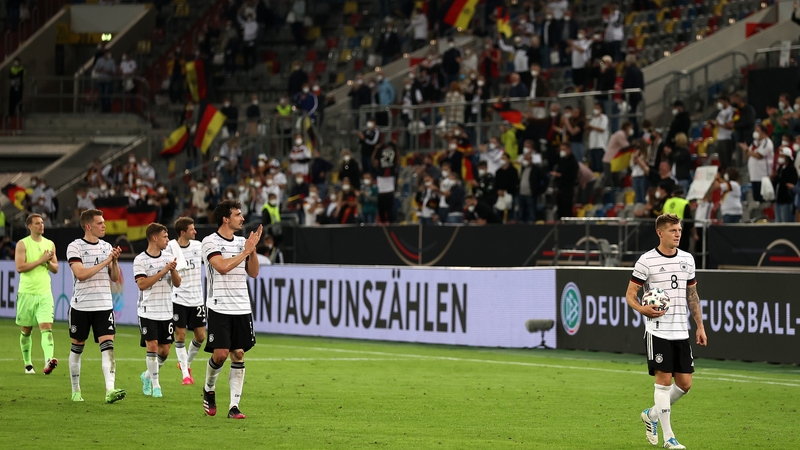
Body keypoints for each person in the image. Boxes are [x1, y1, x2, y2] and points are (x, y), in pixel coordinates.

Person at [626, 213, 707, 450]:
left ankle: (651, 414)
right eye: (673, 231)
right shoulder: (646, 261)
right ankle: (669, 437)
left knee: (684, 384)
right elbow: (630, 294)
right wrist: (643, 309)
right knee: (663, 383)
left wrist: (700, 326)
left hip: (681, 331)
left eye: (679, 230)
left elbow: (692, 296)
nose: (678, 234)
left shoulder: (688, 259)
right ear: (660, 233)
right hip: (658, 330)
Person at [201, 201, 263, 419]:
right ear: (225, 219)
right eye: (238, 214)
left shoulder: (241, 242)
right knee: (220, 354)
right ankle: (209, 389)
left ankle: (233, 407)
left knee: (238, 353)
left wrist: (252, 251)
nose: (242, 218)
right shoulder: (209, 242)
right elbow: (222, 267)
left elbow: (253, 273)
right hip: (219, 307)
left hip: (242, 307)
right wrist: (245, 250)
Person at [66, 209, 127, 403]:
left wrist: (114, 261)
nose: (104, 225)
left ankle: (110, 390)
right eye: (100, 223)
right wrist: (106, 260)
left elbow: (115, 278)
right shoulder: (74, 247)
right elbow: (81, 274)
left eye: (104, 222)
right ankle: (76, 390)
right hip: (82, 305)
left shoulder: (107, 246)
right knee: (78, 346)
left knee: (108, 346)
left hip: (104, 305)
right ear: (88, 226)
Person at [135, 223, 181, 399]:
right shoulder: (140, 260)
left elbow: (177, 283)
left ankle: (146, 376)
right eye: (165, 236)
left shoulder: (169, 257)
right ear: (154, 238)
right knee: (152, 346)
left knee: (165, 351)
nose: (168, 239)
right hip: (148, 310)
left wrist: (173, 270)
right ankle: (156, 385)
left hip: (166, 311)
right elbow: (142, 284)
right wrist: (163, 271)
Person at [15, 214, 58, 375]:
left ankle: (49, 360)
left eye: (42, 223)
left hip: (45, 292)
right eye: (37, 223)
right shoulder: (22, 244)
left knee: (46, 327)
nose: (41, 225)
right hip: (27, 292)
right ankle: (27, 364)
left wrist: (48, 261)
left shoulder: (50, 244)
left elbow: (55, 269)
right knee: (26, 330)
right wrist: (41, 260)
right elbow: (20, 267)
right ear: (30, 226)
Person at [171, 217, 206, 385]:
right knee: (181, 335)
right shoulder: (172, 248)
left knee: (200, 336)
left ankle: (186, 363)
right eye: (192, 229)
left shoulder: (198, 247)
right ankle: (185, 373)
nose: (195, 231)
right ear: (183, 232)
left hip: (197, 299)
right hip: (179, 298)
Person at [741, 124, 774, 202]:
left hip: (763, 176)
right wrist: (745, 150)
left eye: (757, 131)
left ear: (762, 132)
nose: (755, 132)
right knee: (756, 198)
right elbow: (747, 157)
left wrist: (747, 150)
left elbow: (759, 155)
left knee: (763, 198)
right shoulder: (754, 144)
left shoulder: (767, 142)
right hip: (754, 176)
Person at [707, 95, 735, 170]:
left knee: (727, 161)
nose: (719, 103)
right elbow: (717, 121)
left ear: (725, 100)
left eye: (720, 101)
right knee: (722, 161)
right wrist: (711, 124)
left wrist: (718, 124)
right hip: (720, 137)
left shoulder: (731, 111)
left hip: (727, 138)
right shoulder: (721, 112)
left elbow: (729, 125)